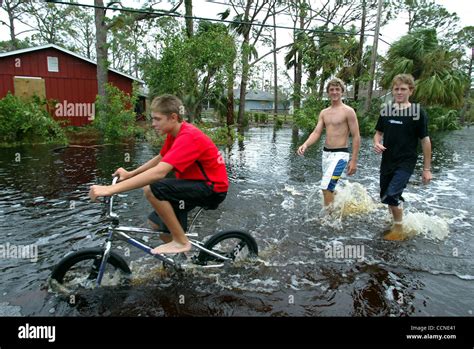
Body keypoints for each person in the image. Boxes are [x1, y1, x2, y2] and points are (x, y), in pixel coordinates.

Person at [88, 94, 228, 254]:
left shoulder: (189, 137)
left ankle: (181, 242)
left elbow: (159, 172)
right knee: (156, 223)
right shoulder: (174, 134)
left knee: (153, 188)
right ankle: (182, 261)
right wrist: (130, 174)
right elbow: (161, 158)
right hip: (192, 185)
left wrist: (109, 189)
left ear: (173, 117)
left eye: (157, 119)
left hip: (212, 189)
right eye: (152, 119)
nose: (153, 124)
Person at [373, 74, 432, 241]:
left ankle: (399, 229)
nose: (399, 92)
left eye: (403, 89)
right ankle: (395, 219)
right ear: (392, 90)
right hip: (387, 160)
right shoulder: (387, 110)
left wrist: (426, 169)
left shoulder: (417, 112)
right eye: (396, 89)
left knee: (392, 195)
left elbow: (425, 140)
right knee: (386, 196)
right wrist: (376, 143)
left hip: (406, 161)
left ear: (410, 91)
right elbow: (378, 134)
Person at [297, 78, 360, 208]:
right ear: (328, 92)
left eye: (337, 89)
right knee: (329, 188)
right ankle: (343, 204)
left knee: (325, 186)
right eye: (332, 89)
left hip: (340, 155)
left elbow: (356, 136)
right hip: (326, 155)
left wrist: (353, 160)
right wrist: (305, 144)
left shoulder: (348, 111)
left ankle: (328, 219)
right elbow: (316, 133)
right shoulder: (324, 113)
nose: (334, 92)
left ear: (342, 91)